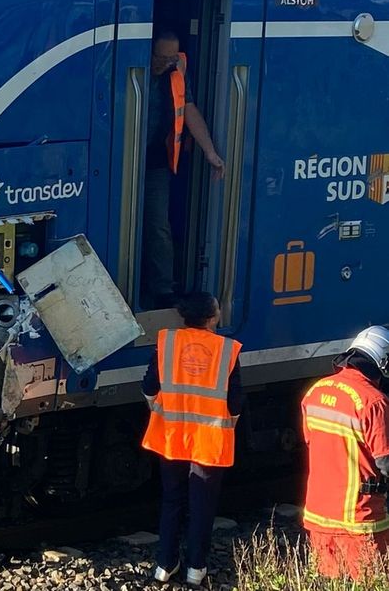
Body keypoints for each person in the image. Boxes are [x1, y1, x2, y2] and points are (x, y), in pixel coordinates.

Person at [140, 292, 242, 586]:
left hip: (171, 437)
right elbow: (235, 402)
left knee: (172, 500)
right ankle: (196, 569)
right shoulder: (227, 350)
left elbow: (149, 386)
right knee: (202, 506)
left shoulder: (167, 343)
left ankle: (164, 565)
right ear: (212, 317)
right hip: (209, 440)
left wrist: (162, 409)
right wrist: (225, 423)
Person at [142, 30, 225, 310]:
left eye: (172, 58)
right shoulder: (128, 67)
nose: (167, 64)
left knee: (158, 225)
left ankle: (163, 289)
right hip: (117, 162)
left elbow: (189, 110)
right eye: (161, 58)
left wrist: (210, 151)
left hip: (155, 162)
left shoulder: (176, 72)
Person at [301, 325, 389, 580]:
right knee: (369, 582)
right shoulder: (373, 401)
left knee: (330, 582)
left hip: (318, 514)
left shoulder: (315, 391)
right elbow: (385, 461)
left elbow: (313, 443)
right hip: (359, 520)